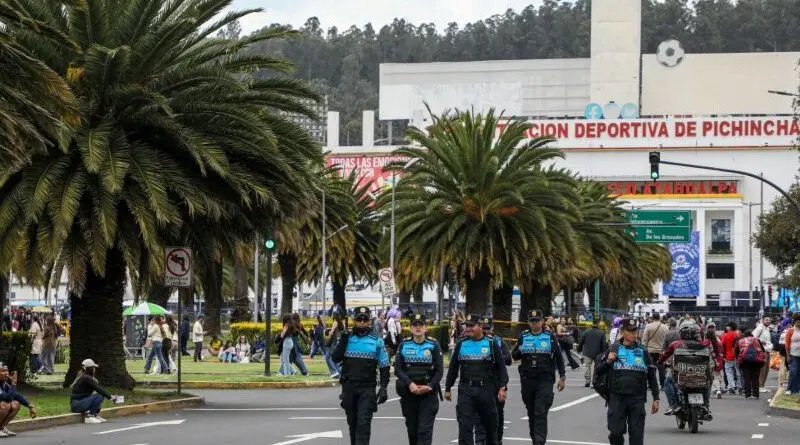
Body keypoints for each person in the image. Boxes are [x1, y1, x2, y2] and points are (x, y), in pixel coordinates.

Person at [444, 314, 509, 445]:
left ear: (480, 327)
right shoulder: (461, 344)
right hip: (466, 391)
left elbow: (501, 367)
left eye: (471, 326)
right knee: (464, 427)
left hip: (486, 390)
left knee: (490, 428)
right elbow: (453, 367)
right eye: (466, 325)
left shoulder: (491, 344)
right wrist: (448, 387)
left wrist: (503, 387)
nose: (468, 328)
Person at [331, 306, 390, 445]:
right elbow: (335, 358)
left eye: (365, 319)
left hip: (367, 388)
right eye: (359, 319)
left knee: (363, 423)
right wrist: (344, 340)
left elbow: (384, 366)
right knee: (353, 424)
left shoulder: (377, 340)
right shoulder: (347, 337)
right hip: (349, 387)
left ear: (369, 321)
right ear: (354, 320)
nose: (362, 322)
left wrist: (384, 388)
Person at [596, 318, 659, 445]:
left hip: (637, 399)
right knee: (615, 433)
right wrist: (609, 361)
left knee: (636, 436)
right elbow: (599, 370)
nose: (633, 334)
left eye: (635, 331)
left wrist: (656, 398)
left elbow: (651, 375)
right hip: (617, 398)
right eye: (630, 331)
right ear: (622, 332)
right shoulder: (614, 348)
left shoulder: (643, 351)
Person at [512, 309, 566, 445]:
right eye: (532, 321)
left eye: (537, 321)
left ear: (542, 321)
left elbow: (559, 357)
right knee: (531, 413)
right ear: (528, 322)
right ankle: (535, 439)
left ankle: (539, 442)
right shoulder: (524, 336)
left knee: (540, 411)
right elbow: (514, 356)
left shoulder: (550, 337)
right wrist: (520, 349)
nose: (535, 324)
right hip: (528, 380)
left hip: (545, 380)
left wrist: (562, 377)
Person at [395, 313, 443, 445]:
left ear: (425, 328)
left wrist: (430, 386)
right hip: (409, 393)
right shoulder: (404, 345)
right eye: (414, 325)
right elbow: (398, 369)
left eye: (420, 325)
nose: (417, 328)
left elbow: (439, 371)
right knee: (412, 431)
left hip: (428, 394)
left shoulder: (433, 345)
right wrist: (410, 384)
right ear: (410, 328)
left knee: (424, 431)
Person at [658, 320, 714, 419]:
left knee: (667, 382)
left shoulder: (675, 344)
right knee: (708, 381)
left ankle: (674, 405)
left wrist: (660, 362)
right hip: (700, 375)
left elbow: (664, 355)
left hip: (681, 376)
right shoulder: (703, 344)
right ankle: (705, 405)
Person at [475, 317, 513, 445]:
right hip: (481, 383)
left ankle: (498, 438)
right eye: (483, 329)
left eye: (488, 329)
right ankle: (481, 440)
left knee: (497, 414)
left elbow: (508, 359)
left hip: (497, 382)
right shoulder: (476, 341)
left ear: (492, 328)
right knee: (479, 414)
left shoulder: (498, 341)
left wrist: (494, 357)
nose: (486, 331)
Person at [70, 359, 119, 423]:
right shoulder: (86, 378)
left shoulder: (86, 377)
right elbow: (99, 389)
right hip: (77, 405)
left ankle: (95, 414)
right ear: (90, 369)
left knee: (98, 395)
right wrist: (111, 397)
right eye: (93, 367)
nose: (94, 369)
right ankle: (90, 416)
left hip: (79, 404)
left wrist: (110, 396)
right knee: (99, 395)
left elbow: (99, 389)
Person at [0, 365, 36, 437]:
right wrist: (13, 383)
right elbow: (8, 398)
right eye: (3, 371)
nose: (7, 373)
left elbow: (16, 395)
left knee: (16, 404)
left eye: (7, 370)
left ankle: (1, 428)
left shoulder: (4, 384)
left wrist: (30, 405)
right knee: (5, 405)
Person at [735, 328, 767, 399]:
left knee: (747, 379)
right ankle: (756, 394)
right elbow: (763, 350)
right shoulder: (757, 340)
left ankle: (748, 394)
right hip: (756, 361)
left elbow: (737, 352)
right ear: (751, 334)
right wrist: (764, 359)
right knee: (755, 378)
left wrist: (738, 360)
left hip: (744, 361)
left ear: (744, 335)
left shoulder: (741, 341)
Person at [641, 313, 668, 388]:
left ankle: (651, 384)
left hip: (650, 350)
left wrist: (643, 349)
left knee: (651, 367)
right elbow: (666, 339)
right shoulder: (665, 327)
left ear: (652, 318)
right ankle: (663, 385)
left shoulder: (649, 326)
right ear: (659, 318)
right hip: (660, 350)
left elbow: (645, 339)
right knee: (661, 368)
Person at [578, 319, 608, 387]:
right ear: (598, 324)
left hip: (587, 352)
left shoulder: (586, 331)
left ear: (592, 324)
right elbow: (603, 345)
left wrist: (579, 349)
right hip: (598, 353)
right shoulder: (601, 333)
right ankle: (595, 381)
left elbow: (581, 341)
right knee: (596, 367)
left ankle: (587, 381)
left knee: (587, 367)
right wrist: (603, 354)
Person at [752, 316, 773, 390]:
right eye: (766, 320)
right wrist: (760, 342)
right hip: (761, 352)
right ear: (762, 321)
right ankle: (760, 385)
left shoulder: (767, 328)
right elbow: (753, 337)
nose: (768, 321)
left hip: (767, 351)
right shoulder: (760, 328)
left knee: (766, 369)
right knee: (762, 369)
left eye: (769, 320)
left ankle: (762, 385)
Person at [721, 322, 741, 393]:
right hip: (737, 355)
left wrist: (723, 355)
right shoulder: (737, 334)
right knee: (738, 371)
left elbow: (722, 345)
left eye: (727, 326)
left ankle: (731, 386)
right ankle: (740, 386)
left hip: (728, 355)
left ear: (730, 327)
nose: (726, 327)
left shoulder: (726, 335)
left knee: (729, 372)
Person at [785, 313, 800, 395]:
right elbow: (787, 344)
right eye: (798, 322)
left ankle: (797, 389)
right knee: (793, 372)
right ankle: (789, 389)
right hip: (793, 354)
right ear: (794, 322)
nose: (799, 323)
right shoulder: (790, 331)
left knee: (799, 373)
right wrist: (788, 356)